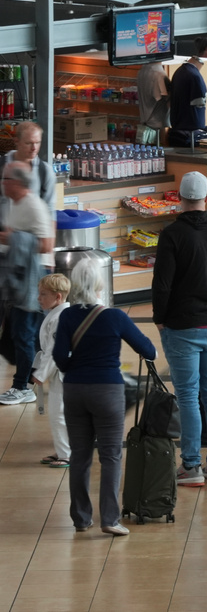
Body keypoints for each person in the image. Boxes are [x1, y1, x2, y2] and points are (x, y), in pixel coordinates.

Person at [54, 259, 156, 536]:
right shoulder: (115, 317)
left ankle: (80, 518)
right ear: (100, 284)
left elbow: (60, 357)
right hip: (107, 391)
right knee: (111, 456)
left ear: (74, 285)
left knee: (80, 456)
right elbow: (148, 350)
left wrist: (74, 369)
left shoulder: (67, 316)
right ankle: (110, 519)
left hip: (74, 390)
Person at [152, 171, 207, 487]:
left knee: (188, 395)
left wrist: (160, 318)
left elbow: (161, 285)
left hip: (182, 328)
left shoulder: (172, 235)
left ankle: (191, 465)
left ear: (179, 199)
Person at [0, 162, 53, 406]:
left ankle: (22, 387)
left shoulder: (34, 206)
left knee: (24, 334)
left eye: (6, 179)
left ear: (17, 182)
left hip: (33, 279)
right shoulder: (13, 203)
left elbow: (46, 245)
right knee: (23, 334)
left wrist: (15, 238)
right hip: (19, 276)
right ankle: (28, 380)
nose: (2, 183)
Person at [31, 273, 71, 468]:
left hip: (62, 373)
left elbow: (55, 351)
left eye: (43, 294)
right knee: (61, 414)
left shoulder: (59, 318)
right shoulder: (58, 314)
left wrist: (40, 375)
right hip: (61, 371)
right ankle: (64, 450)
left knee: (59, 414)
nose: (39, 298)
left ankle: (67, 453)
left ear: (58, 297)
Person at [1, 121, 57, 222]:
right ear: (16, 141)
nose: (34, 148)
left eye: (37, 142)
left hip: (31, 234)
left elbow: (50, 210)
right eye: (29, 143)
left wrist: (50, 236)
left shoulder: (45, 171)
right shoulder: (2, 167)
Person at [168, 37, 207, 148]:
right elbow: (200, 100)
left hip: (178, 120)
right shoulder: (195, 76)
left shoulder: (179, 72)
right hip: (192, 121)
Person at [137, 61, 170, 144]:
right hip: (157, 121)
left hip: (146, 119)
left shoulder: (141, 72)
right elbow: (162, 97)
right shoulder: (158, 74)